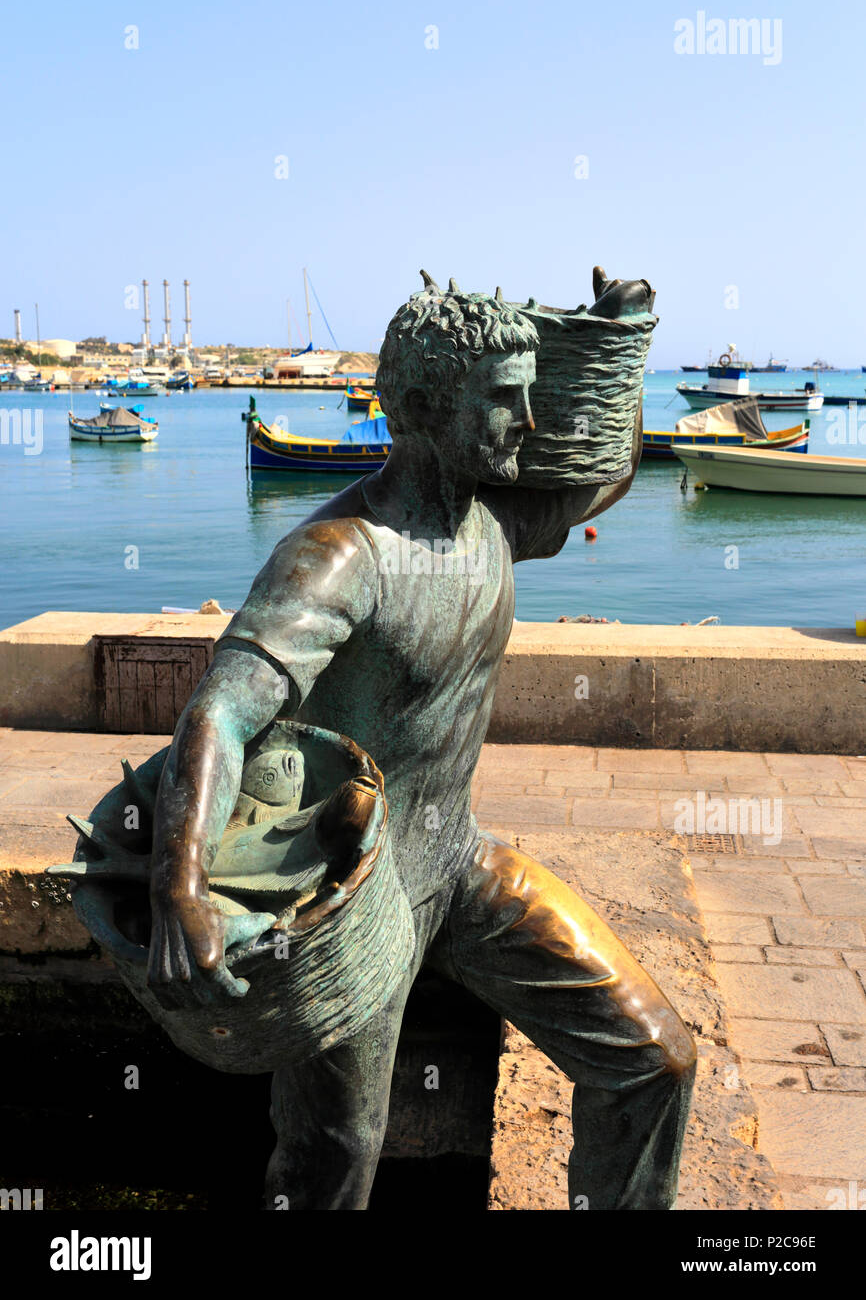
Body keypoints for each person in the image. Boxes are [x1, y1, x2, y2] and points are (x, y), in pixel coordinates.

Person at [146, 276, 696, 1210]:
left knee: (654, 1057)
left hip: (459, 863)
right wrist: (181, 890)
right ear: (428, 406)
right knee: (339, 1152)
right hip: (357, 896)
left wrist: (622, 347)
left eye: (528, 395)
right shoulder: (339, 556)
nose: (527, 419)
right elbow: (221, 714)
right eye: (503, 398)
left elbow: (608, 470)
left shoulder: (494, 524)